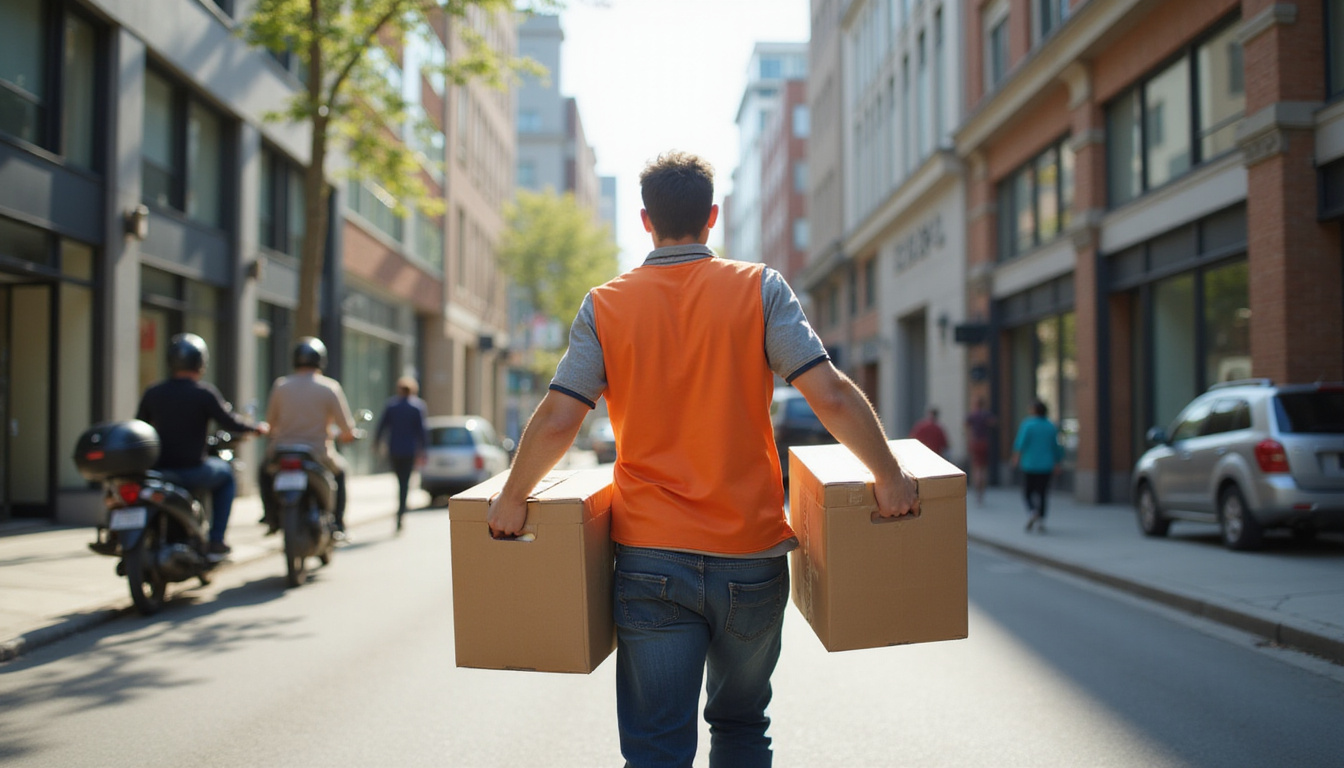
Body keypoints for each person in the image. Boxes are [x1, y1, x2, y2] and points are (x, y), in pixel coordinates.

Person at [487, 151, 920, 768]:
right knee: (742, 724)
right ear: (711, 217)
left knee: (658, 744)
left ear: (645, 221)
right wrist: (890, 476)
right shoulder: (760, 288)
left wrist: (512, 497)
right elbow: (829, 393)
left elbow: (561, 415)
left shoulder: (606, 304)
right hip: (750, 555)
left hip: (649, 558)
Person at [135, 333, 268, 557]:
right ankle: (216, 540)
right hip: (192, 470)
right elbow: (230, 421)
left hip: (160, 470)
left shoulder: (153, 392)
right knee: (226, 475)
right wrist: (255, 428)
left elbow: (139, 427)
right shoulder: (204, 393)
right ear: (200, 362)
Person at [261, 337, 359, 538]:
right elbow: (346, 427)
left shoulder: (281, 386)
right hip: (318, 453)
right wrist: (349, 434)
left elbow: (270, 423)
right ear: (320, 360)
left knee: (263, 471)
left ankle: (270, 517)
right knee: (340, 473)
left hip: (282, 452)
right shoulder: (329, 388)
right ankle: (338, 524)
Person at [375, 376, 429, 531]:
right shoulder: (417, 407)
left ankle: (401, 510)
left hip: (395, 449)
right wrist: (423, 450)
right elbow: (422, 431)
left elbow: (382, 426)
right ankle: (401, 511)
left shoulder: (392, 406)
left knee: (400, 480)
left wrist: (376, 442)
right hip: (409, 450)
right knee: (405, 482)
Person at [1011, 399, 1063, 533]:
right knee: (1043, 493)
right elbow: (1056, 446)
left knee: (1028, 492)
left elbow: (1020, 443)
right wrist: (1058, 462)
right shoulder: (1050, 426)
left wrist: (1016, 458)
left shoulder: (1028, 425)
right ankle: (1041, 520)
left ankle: (1032, 511)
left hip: (1030, 464)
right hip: (1046, 465)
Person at [964, 396, 997, 504]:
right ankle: (981, 493)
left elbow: (966, 426)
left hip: (975, 442)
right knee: (983, 468)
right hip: (984, 442)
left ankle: (977, 489)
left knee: (976, 467)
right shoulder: (986, 414)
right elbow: (993, 422)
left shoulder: (972, 415)